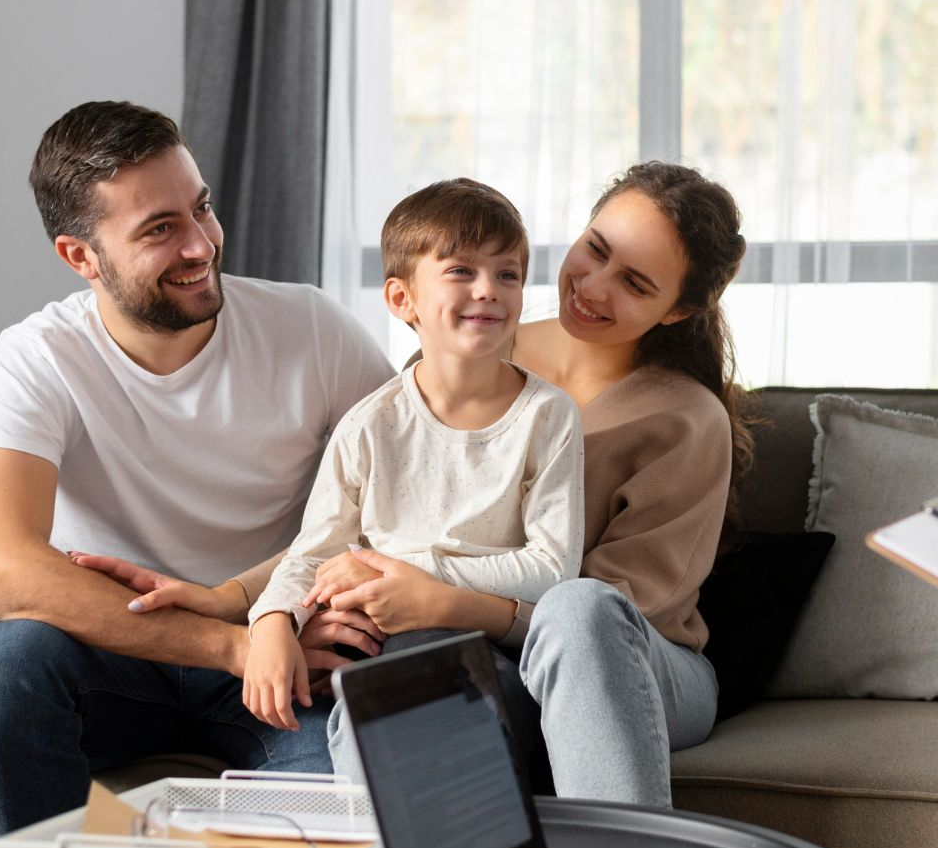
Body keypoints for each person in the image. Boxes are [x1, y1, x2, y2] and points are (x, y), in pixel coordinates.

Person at [0, 100, 395, 836]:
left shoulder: (311, 330)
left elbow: (403, 500)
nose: (201, 245)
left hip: (278, 650)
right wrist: (227, 644)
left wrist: (280, 618)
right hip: (117, 656)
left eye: (202, 209)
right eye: (159, 229)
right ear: (79, 256)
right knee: (1, 665)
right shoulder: (36, 359)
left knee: (322, 822)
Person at [319, 161, 749, 806]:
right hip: (486, 653)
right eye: (595, 251)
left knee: (579, 611)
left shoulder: (687, 421)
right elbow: (354, 519)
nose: (594, 288)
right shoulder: (472, 346)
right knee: (398, 686)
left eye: (634, 283)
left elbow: (612, 616)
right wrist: (243, 599)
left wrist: (441, 599)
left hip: (637, 662)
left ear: (679, 308)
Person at [242, 178, 585, 759]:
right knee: (361, 713)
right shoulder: (369, 424)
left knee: (441, 709)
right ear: (403, 299)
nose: (489, 290)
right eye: (461, 271)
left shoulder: (548, 416)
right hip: (381, 639)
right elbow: (315, 552)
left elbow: (552, 571)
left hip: (494, 643)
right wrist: (272, 621)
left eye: (507, 274)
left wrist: (409, 573)